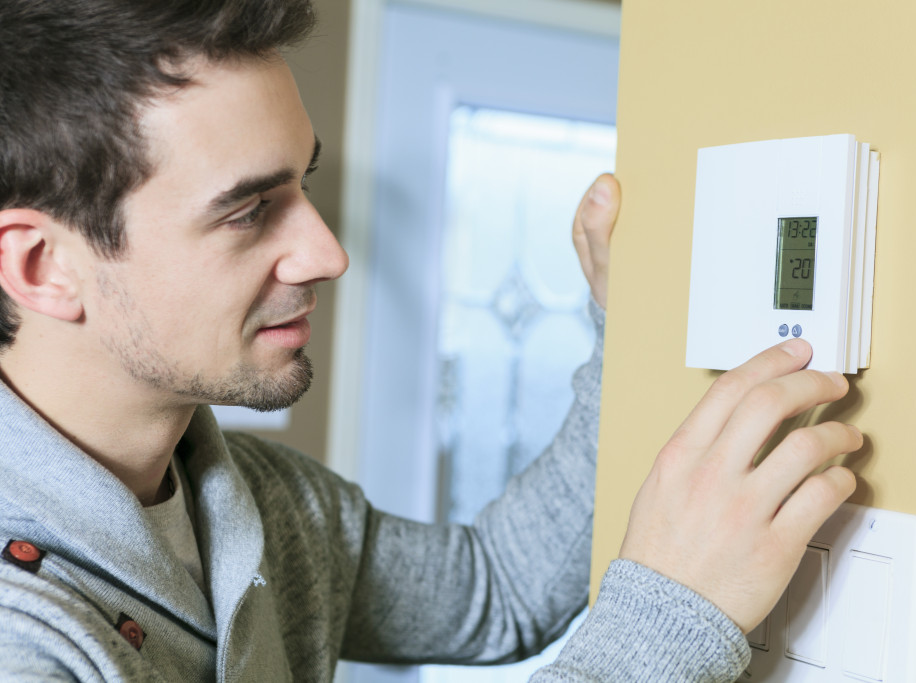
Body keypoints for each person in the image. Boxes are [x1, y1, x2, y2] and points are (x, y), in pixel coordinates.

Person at [0, 1, 862, 681]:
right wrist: (668, 619)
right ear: (42, 266)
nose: (328, 252)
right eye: (249, 210)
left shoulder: (263, 504)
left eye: (305, 183)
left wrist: (618, 328)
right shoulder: (23, 639)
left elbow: (495, 589)